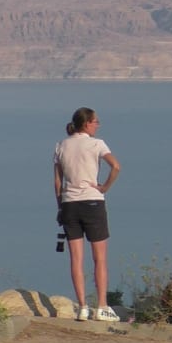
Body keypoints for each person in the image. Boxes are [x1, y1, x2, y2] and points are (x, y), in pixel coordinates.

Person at [54, 107, 121, 322]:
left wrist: (60, 206)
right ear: (86, 124)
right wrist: (104, 188)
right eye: (95, 122)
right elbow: (116, 167)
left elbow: (58, 181)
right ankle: (101, 306)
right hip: (93, 202)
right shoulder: (97, 144)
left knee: (76, 259)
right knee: (99, 258)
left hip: (69, 204)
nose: (98, 125)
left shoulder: (61, 145)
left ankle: (82, 306)